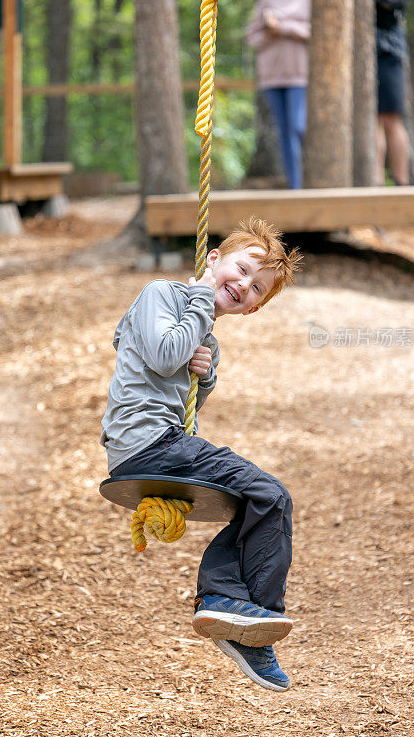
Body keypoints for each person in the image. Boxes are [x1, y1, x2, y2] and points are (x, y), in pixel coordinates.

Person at [100, 218, 301, 692]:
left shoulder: (205, 335)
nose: (244, 285)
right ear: (213, 260)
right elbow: (165, 355)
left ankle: (234, 608)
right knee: (272, 497)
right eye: (241, 269)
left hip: (164, 440)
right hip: (146, 443)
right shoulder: (164, 294)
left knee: (257, 503)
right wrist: (196, 310)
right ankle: (240, 612)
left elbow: (182, 403)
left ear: (253, 309)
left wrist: (205, 377)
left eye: (257, 288)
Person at [245, 0, 313, 189]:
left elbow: (321, 32)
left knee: (298, 127)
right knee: (284, 132)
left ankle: (310, 180)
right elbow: (252, 36)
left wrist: (283, 27)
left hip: (302, 74)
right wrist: (269, 31)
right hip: (272, 74)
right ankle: (295, 186)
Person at [374, 0, 414, 185]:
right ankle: (374, 185)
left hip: (388, 52)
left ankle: (402, 184)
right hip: (362, 55)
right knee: (372, 120)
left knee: (390, 119)